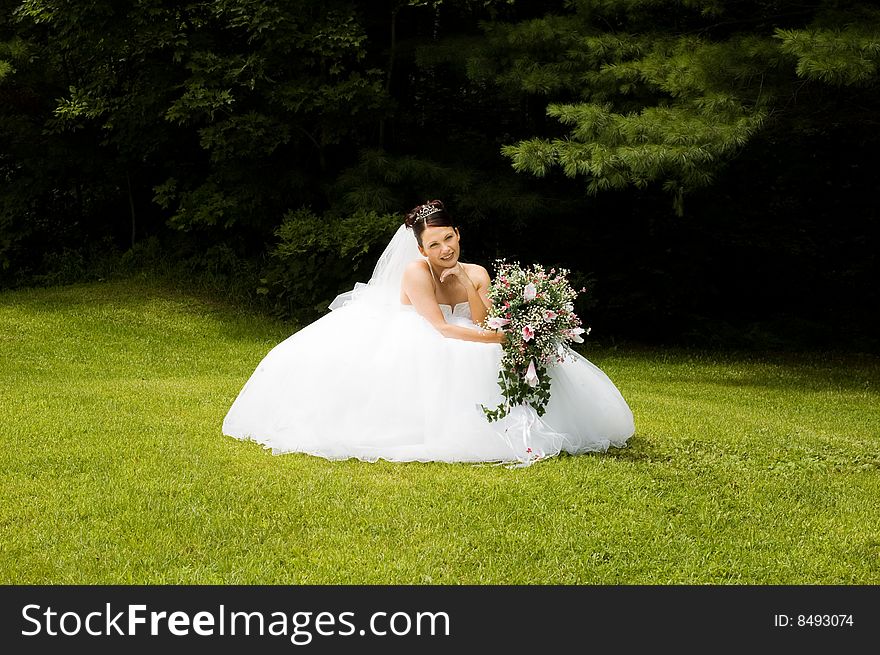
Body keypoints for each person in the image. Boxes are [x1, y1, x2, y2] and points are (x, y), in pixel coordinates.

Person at [222, 200, 634, 465]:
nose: (444, 250)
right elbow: (439, 328)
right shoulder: (415, 272)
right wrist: (499, 339)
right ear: (421, 249)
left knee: (494, 357)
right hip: (421, 335)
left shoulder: (476, 272)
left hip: (467, 330)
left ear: (458, 235)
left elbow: (481, 320)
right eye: (433, 244)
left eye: (448, 238)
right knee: (466, 356)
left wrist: (470, 286)